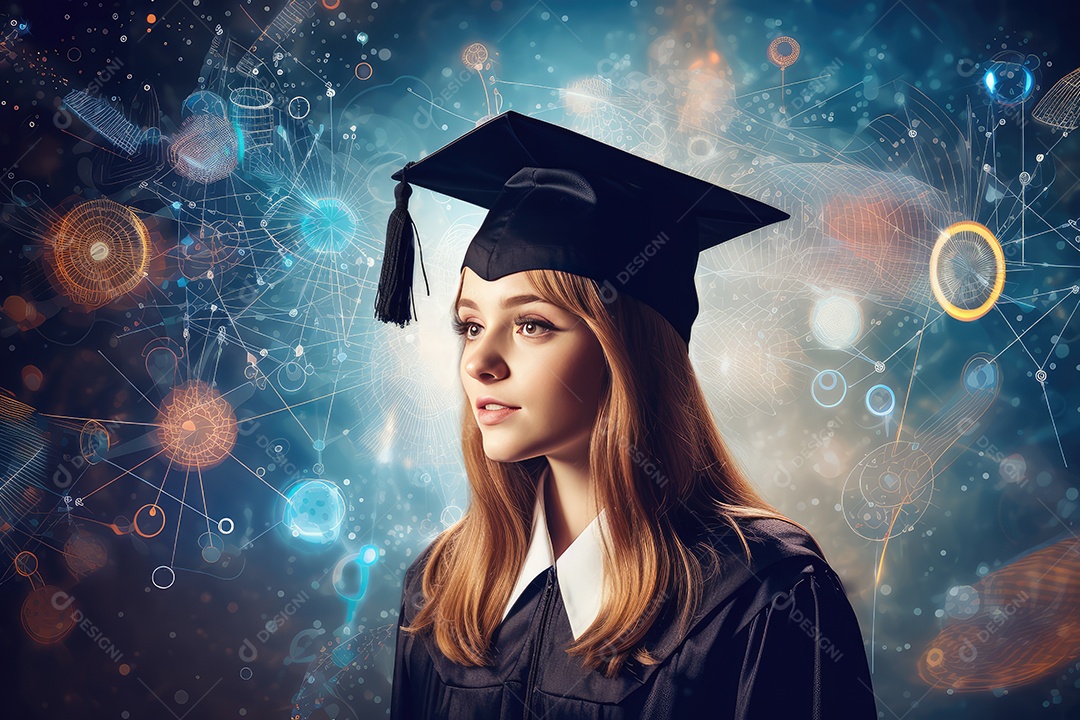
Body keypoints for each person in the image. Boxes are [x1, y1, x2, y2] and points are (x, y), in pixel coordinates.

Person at [374, 111, 878, 719]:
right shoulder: (442, 587)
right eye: (472, 324)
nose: (480, 361)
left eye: (532, 325)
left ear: (626, 353)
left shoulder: (763, 594)